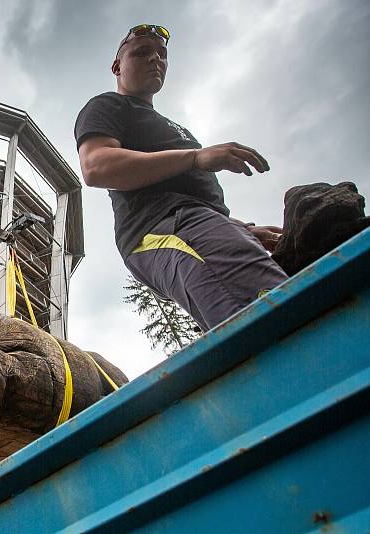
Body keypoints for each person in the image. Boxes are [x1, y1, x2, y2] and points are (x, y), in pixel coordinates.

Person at [74, 24, 288, 331]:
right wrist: (197, 157)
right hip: (161, 226)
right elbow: (96, 166)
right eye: (142, 52)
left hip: (196, 222)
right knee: (268, 307)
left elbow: (187, 191)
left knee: (258, 303)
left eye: (162, 54)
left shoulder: (174, 127)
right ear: (117, 66)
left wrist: (243, 229)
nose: (155, 59)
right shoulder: (108, 105)